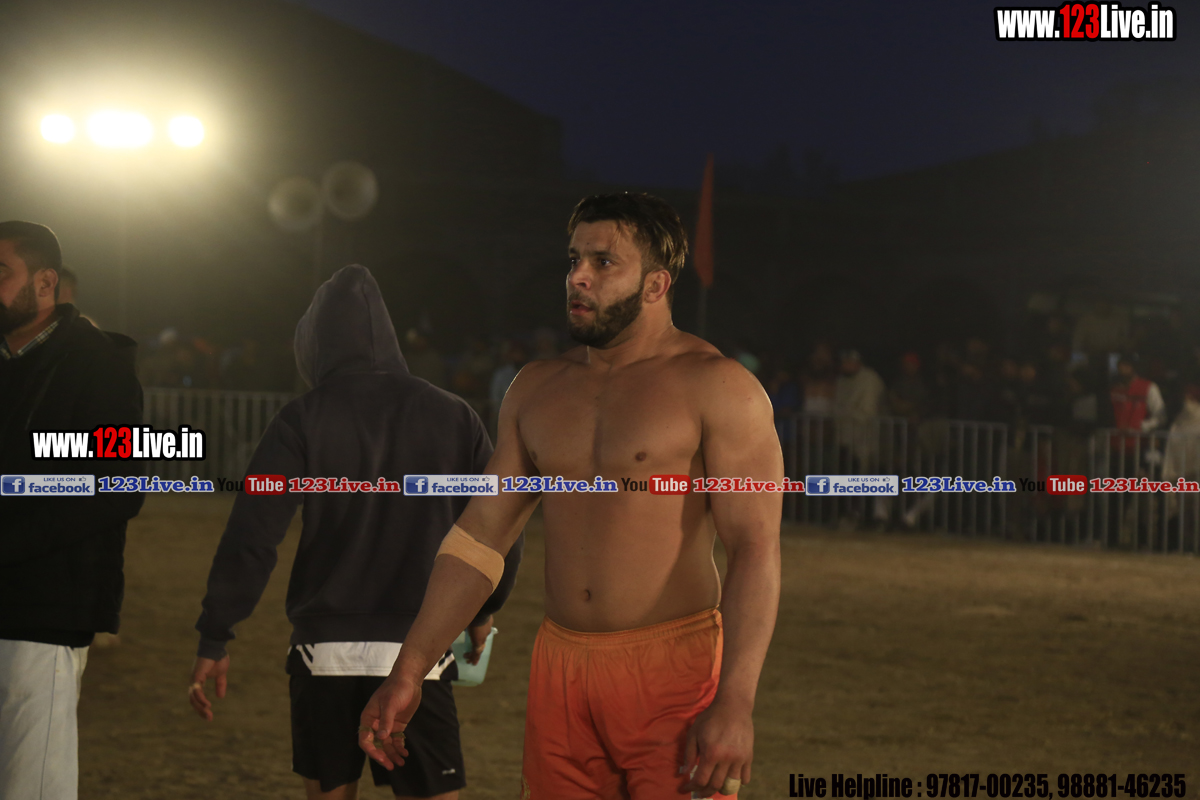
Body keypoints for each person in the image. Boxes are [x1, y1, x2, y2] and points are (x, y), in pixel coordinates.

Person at [359, 193, 783, 799]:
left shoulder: (719, 387)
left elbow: (754, 549)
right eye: (575, 259)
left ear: (656, 284)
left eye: (603, 262)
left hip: (675, 674)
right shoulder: (536, 388)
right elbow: (481, 538)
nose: (578, 277)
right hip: (560, 669)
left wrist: (735, 702)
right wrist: (410, 669)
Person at [189, 265, 523, 800]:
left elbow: (253, 534)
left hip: (324, 653)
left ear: (314, 343)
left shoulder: (302, 418)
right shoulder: (455, 416)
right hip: (420, 649)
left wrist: (216, 632)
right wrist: (483, 610)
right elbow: (500, 524)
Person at [0, 221, 144, 800]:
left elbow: (117, 485)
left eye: (0, 273)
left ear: (45, 283)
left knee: (31, 781)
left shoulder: (97, 364)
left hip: (45, 610)